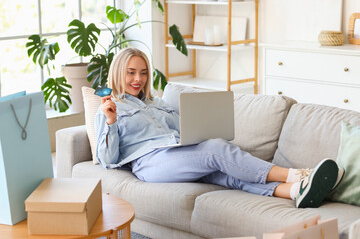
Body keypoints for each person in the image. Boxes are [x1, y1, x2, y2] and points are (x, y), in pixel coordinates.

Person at [95, 47, 344, 208]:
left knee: (225, 175)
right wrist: (111, 122)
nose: (138, 79)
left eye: (143, 73)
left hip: (178, 153)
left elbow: (184, 130)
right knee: (215, 150)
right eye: (131, 73)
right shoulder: (111, 108)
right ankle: (299, 174)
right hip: (149, 163)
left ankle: (293, 191)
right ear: (118, 73)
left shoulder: (157, 103)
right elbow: (107, 159)